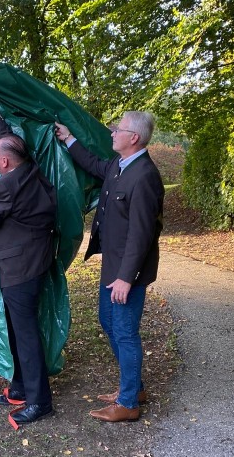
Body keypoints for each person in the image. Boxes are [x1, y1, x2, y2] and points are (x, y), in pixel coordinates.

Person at [54, 113, 164, 422]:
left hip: (127, 272)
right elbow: (94, 164)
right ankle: (135, 388)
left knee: (125, 332)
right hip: (113, 266)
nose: (112, 132)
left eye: (118, 129)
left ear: (134, 138)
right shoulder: (121, 164)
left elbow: (142, 235)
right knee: (108, 320)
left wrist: (126, 279)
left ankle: (128, 403)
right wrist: (68, 138)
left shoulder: (144, 175)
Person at [0, 79, 58, 425]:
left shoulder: (5, 188)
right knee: (19, 331)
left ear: (4, 163)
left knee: (26, 335)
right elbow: (6, 137)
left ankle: (39, 401)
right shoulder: (27, 166)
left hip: (20, 270)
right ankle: (20, 387)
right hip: (33, 262)